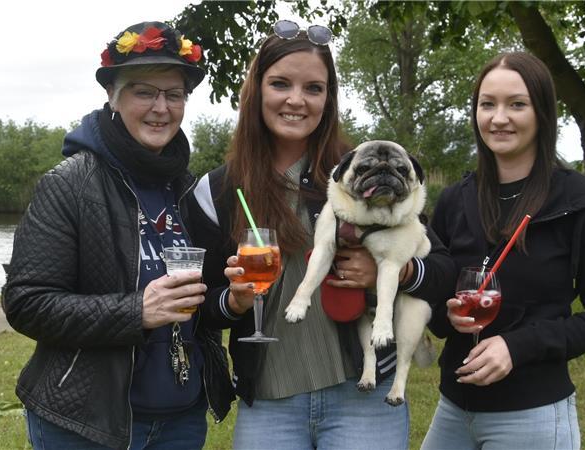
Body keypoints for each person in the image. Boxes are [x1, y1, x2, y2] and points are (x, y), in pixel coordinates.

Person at [191, 20, 455, 449]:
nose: (296, 100)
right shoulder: (218, 191)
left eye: (314, 88)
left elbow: (441, 270)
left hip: (363, 397)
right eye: (280, 84)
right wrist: (234, 300)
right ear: (256, 90)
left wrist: (397, 271)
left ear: (328, 99)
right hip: (269, 401)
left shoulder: (361, 175)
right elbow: (199, 306)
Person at [2, 21, 234, 449]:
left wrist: (232, 301)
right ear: (112, 96)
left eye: (174, 94)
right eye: (143, 92)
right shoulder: (70, 184)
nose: (161, 107)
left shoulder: (187, 189)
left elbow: (202, 304)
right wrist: (136, 312)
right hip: (85, 424)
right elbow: (26, 302)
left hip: (181, 420)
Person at [421, 52, 585, 450]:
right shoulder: (454, 199)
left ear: (542, 113)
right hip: (453, 408)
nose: (499, 118)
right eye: (488, 104)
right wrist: (445, 315)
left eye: (516, 104)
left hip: (531, 414)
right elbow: (436, 300)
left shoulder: (583, 204)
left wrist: (517, 347)